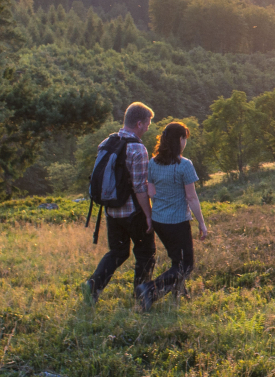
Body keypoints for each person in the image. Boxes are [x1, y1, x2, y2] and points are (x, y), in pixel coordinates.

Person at [82, 102, 155, 304]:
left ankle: (92, 286)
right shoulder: (138, 149)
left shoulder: (107, 142)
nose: (148, 127)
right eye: (147, 123)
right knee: (145, 253)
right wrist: (148, 215)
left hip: (112, 211)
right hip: (133, 212)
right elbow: (140, 187)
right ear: (139, 123)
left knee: (118, 251)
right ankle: (142, 297)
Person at [137, 120, 209, 311]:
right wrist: (202, 223)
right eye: (185, 138)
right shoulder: (184, 165)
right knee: (186, 265)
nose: (186, 142)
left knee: (177, 260)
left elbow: (151, 192)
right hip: (177, 222)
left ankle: (179, 293)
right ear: (179, 139)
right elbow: (191, 197)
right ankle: (149, 290)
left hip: (160, 221)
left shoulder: (153, 163)